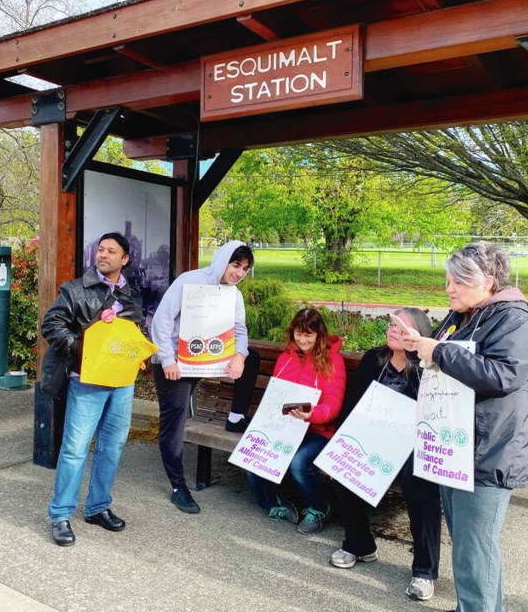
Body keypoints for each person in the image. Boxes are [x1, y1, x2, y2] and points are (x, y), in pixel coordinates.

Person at [400, 241, 528, 612]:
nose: (449, 288)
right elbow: (443, 365)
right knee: (471, 548)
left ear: (488, 281)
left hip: (489, 452)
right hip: (455, 447)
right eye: (448, 280)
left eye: (458, 281)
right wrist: (420, 352)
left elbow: (504, 375)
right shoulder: (461, 315)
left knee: (474, 551)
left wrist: (439, 352)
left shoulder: (514, 320)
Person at [329, 307, 443, 603]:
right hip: (375, 437)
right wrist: (344, 442)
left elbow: (435, 414)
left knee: (419, 481)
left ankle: (425, 569)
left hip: (415, 444)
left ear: (418, 334)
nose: (393, 330)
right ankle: (359, 544)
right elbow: (353, 405)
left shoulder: (428, 367)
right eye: (392, 325)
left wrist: (418, 360)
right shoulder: (373, 360)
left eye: (402, 327)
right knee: (343, 464)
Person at [39, 232, 145, 547]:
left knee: (111, 447)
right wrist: (83, 350)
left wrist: (138, 350)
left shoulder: (131, 295)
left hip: (122, 383)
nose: (104, 255)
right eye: (101, 249)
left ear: (124, 259)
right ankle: (60, 515)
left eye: (112, 251)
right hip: (86, 382)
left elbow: (136, 331)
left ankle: (98, 507)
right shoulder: (75, 290)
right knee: (74, 450)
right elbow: (52, 325)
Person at [150, 240, 261, 514]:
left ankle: (235, 417)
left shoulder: (234, 294)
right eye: (236, 265)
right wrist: (167, 359)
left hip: (209, 358)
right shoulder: (190, 281)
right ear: (224, 259)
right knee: (174, 417)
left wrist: (240, 355)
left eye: (245, 269)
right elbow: (161, 320)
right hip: (175, 361)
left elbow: (239, 330)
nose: (239, 273)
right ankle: (178, 486)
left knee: (253, 356)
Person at [245, 308, 346, 535]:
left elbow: (334, 404)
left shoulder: (332, 361)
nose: (302, 340)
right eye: (298, 335)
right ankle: (275, 505)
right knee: (253, 456)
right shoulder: (285, 358)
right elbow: (275, 395)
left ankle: (319, 508)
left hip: (318, 430)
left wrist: (313, 414)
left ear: (319, 335)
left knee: (298, 463)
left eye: (308, 335)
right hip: (286, 427)